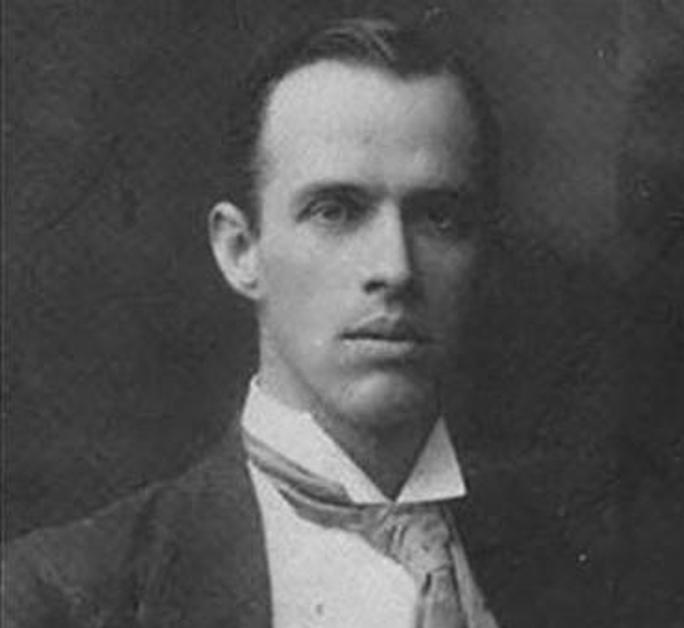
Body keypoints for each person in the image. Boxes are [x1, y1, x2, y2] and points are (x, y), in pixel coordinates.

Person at [3, 17, 501, 628]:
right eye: (335, 211)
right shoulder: (53, 597)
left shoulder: (587, 560)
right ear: (240, 251)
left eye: (439, 217)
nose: (395, 268)